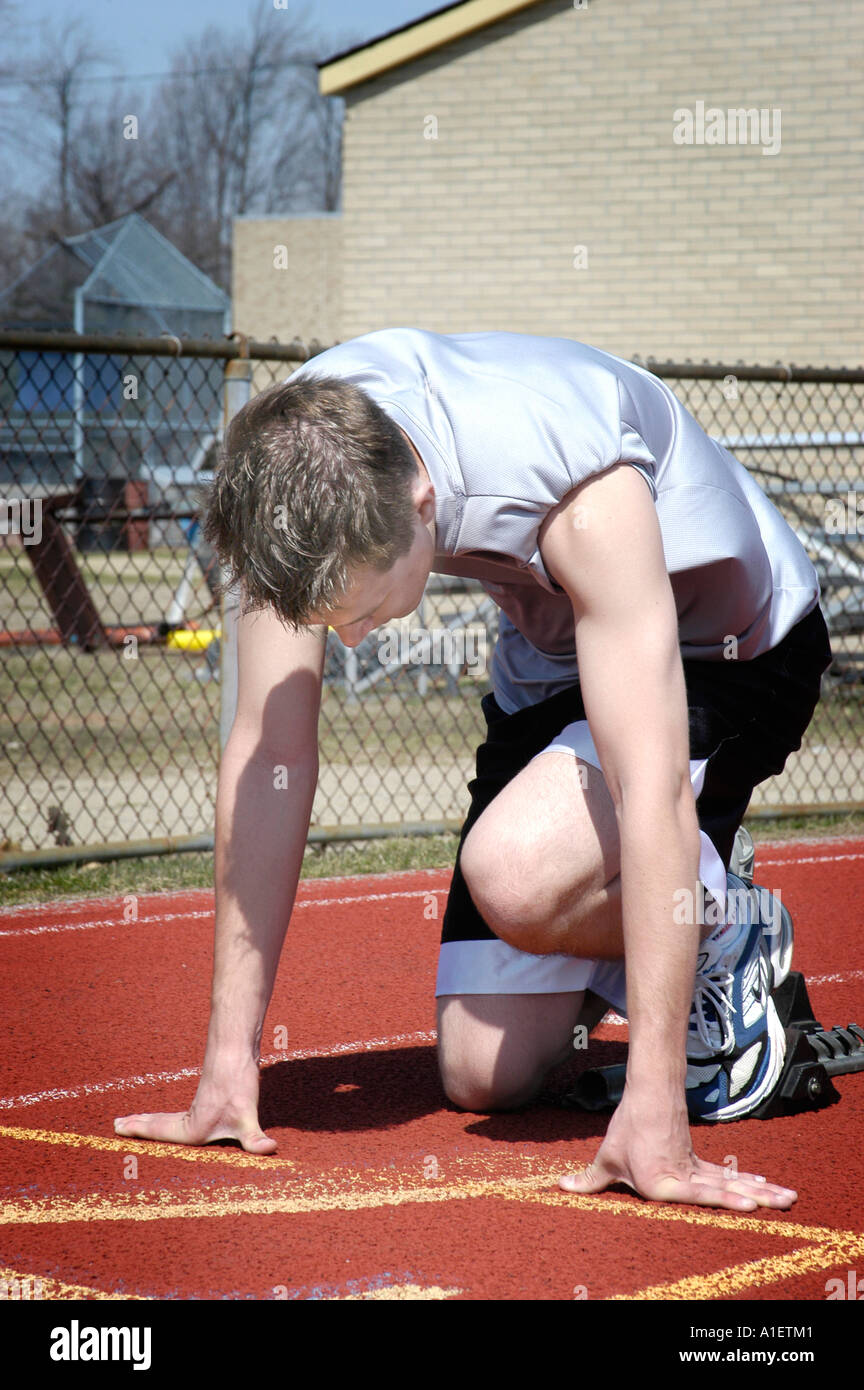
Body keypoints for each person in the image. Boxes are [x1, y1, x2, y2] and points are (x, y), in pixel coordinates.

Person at [115, 328, 833, 1213]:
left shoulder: (580, 487)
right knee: (481, 1074)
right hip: (558, 646)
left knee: (515, 872)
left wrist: (657, 1116)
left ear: (422, 502)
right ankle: (695, 899)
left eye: (364, 608)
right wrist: (228, 1064)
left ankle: (725, 928)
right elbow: (271, 754)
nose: (347, 639)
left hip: (724, 643)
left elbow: (644, 788)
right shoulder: (290, 478)